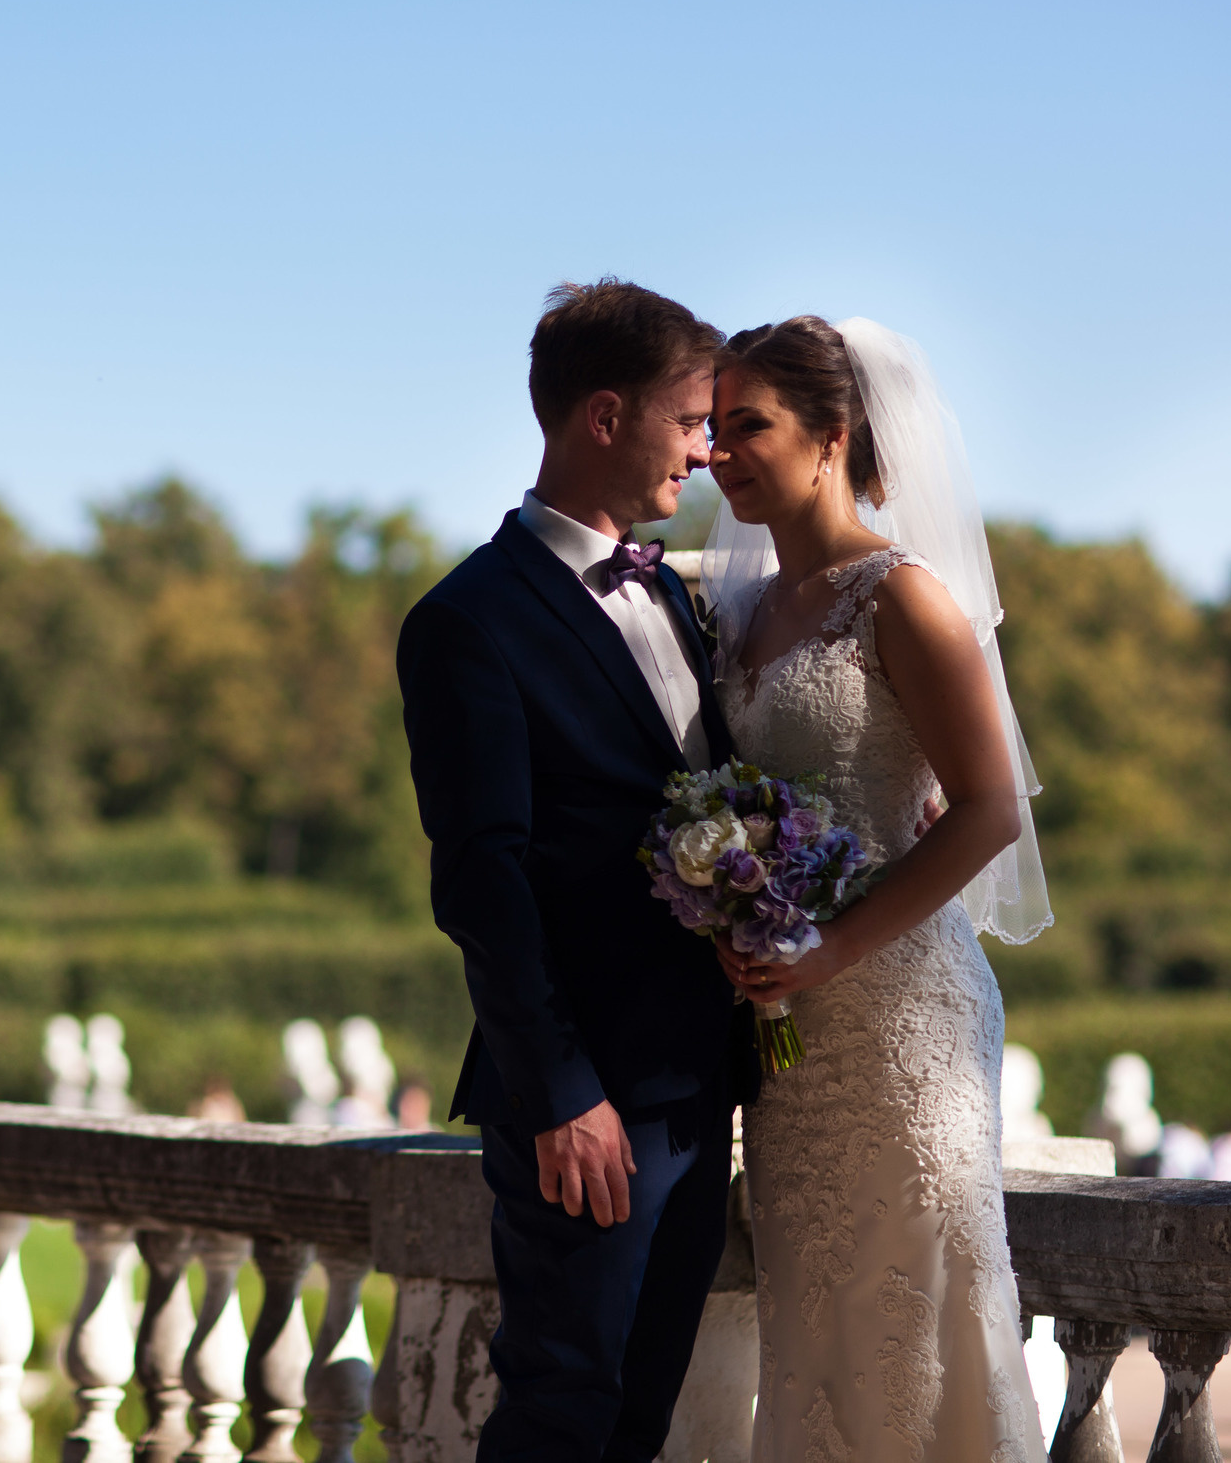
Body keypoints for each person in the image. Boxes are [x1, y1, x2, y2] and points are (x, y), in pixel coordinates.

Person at [397, 278, 749, 1461]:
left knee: (639, 1413)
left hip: (700, 1082)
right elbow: (481, 876)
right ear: (604, 417)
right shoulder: (468, 619)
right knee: (563, 1406)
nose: (703, 455)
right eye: (690, 421)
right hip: (586, 1098)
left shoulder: (680, 599)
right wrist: (558, 1089)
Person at [702, 314, 1053, 1461]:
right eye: (709, 429)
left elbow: (991, 811)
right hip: (791, 1042)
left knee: (918, 1336)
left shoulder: (902, 599)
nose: (717, 454)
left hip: (905, 1025)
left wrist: (833, 949)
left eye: (745, 425)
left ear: (833, 434)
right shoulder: (745, 619)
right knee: (819, 1346)